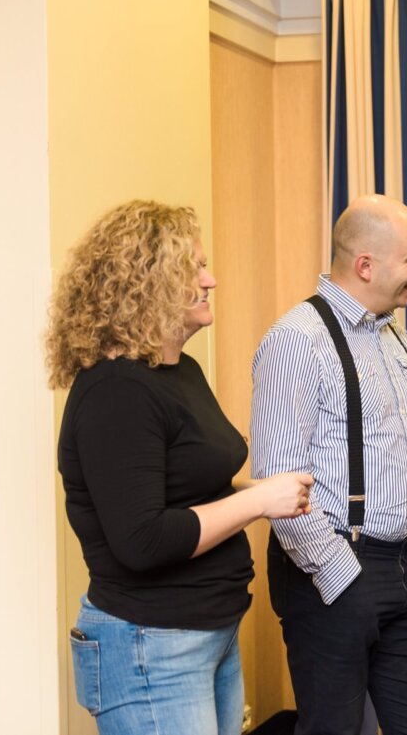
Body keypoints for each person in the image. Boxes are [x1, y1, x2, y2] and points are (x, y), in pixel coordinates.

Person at [47, 200, 314, 735]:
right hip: (149, 643)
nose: (210, 280)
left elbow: (193, 483)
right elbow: (143, 539)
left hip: (205, 630)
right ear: (147, 284)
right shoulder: (116, 391)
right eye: (193, 268)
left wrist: (259, 489)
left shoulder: (181, 371)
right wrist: (258, 502)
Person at [251, 194, 407, 735]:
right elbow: (277, 479)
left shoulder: (392, 330)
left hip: (406, 566)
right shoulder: (296, 340)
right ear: (366, 265)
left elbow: (401, 446)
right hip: (335, 572)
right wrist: (343, 573)